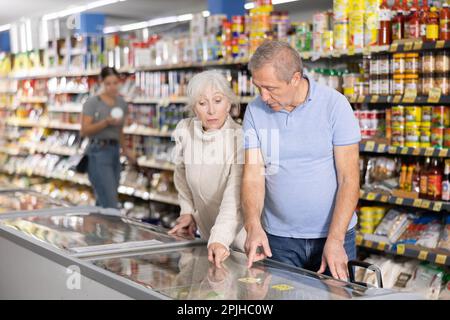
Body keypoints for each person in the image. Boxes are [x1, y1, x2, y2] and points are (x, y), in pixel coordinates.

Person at [242, 40, 361, 281]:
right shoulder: (255, 111)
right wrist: (253, 225)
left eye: (271, 88)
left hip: (334, 236)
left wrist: (335, 239)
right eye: (258, 87)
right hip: (278, 240)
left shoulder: (334, 106)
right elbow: (253, 175)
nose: (263, 96)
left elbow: (349, 179)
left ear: (295, 78)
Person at [168, 70, 246, 268]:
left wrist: (219, 238)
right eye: (203, 103)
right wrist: (187, 211)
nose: (211, 110)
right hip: (206, 237)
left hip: (239, 240)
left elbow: (234, 196)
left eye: (218, 101)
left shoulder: (240, 138)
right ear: (194, 108)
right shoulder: (185, 130)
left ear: (229, 103)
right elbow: (181, 175)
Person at [80, 66, 134, 209]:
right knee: (110, 203)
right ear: (101, 83)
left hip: (114, 152)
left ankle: (98, 231)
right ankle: (110, 229)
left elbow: (119, 131)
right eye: (108, 83)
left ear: (119, 83)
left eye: (115, 83)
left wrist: (126, 151)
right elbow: (84, 131)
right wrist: (105, 122)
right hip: (97, 152)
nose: (112, 87)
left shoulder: (121, 103)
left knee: (104, 201)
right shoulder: (93, 103)